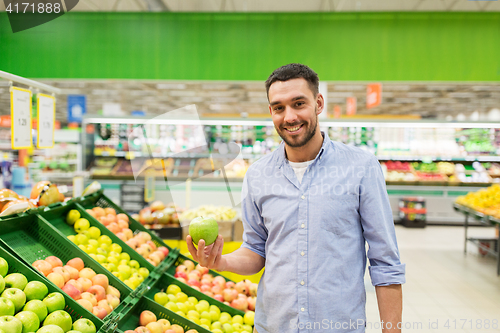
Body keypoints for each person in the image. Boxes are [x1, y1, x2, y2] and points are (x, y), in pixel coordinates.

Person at [187, 63, 405, 333]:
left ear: (319, 103)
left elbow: (385, 262)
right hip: (274, 326)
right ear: (271, 112)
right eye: (279, 107)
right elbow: (256, 250)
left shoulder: (361, 168)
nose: (289, 116)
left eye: (298, 103)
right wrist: (220, 261)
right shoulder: (258, 175)